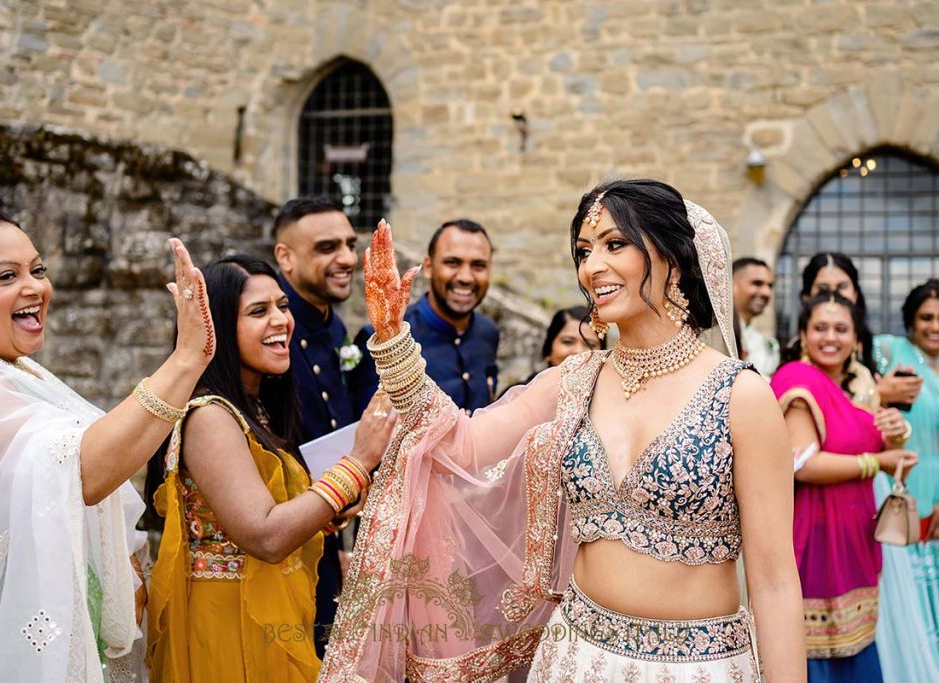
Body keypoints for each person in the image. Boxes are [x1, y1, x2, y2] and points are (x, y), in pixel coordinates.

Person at [322, 180, 805, 682]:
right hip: (575, 660)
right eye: (584, 251)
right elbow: (461, 445)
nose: (592, 266)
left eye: (615, 245)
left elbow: (773, 582)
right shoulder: (574, 380)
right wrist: (393, 339)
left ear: (675, 260)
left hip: (699, 669)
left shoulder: (740, 396)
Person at [0, 208, 214, 681]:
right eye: (6, 276)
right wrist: (185, 361)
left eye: (38, 270)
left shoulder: (7, 365)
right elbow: (77, 470)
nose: (36, 288)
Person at [145, 255, 396, 681]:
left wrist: (321, 514)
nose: (281, 320)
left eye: (282, 306)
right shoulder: (209, 415)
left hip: (265, 610)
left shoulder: (255, 407)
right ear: (220, 327)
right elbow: (265, 535)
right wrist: (357, 462)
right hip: (228, 622)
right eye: (259, 312)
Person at [771, 293, 916, 682]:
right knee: (815, 654)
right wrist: (876, 463)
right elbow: (802, 465)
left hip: (856, 535)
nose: (829, 337)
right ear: (803, 335)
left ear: (856, 337)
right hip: (813, 536)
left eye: (841, 329)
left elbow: (875, 445)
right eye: (819, 328)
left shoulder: (862, 385)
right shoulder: (796, 382)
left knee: (856, 648)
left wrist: (897, 437)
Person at [271, 197, 378, 655]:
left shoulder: (334, 326)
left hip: (328, 532)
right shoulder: (267, 331)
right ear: (285, 257)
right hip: (276, 539)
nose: (348, 259)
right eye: (327, 247)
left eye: (351, 245)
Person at [871, 278, 939, 682]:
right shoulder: (887, 351)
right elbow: (862, 399)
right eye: (926, 318)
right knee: (909, 600)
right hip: (901, 491)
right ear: (910, 321)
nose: (935, 326)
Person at [357, 219, 499, 413]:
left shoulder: (488, 332)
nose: (466, 277)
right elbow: (373, 428)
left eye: (478, 265)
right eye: (452, 263)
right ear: (428, 267)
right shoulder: (388, 340)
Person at [800, 252, 922, 410]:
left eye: (842, 287)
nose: (833, 295)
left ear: (856, 294)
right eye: (823, 289)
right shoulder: (797, 353)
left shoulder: (878, 348)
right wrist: (875, 395)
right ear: (807, 297)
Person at [733, 256, 779, 377]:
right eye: (757, 284)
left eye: (770, 286)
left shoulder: (768, 343)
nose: (766, 292)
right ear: (731, 285)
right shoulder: (712, 336)